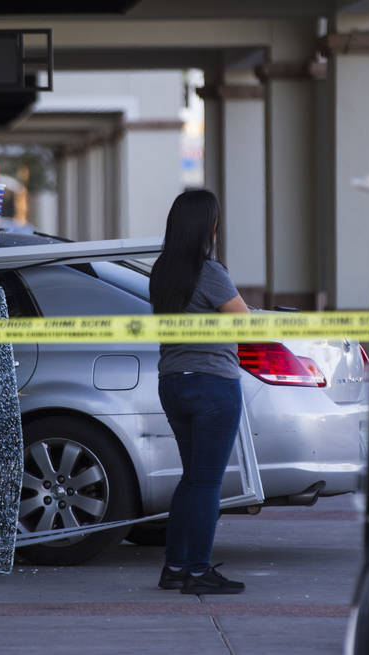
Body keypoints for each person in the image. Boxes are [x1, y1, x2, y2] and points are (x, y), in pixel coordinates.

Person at [149, 188, 250, 595]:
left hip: (173, 382)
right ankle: (198, 570)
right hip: (213, 383)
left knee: (192, 478)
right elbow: (243, 322)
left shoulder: (161, 270)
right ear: (208, 226)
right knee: (207, 482)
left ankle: (175, 567)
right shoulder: (209, 271)